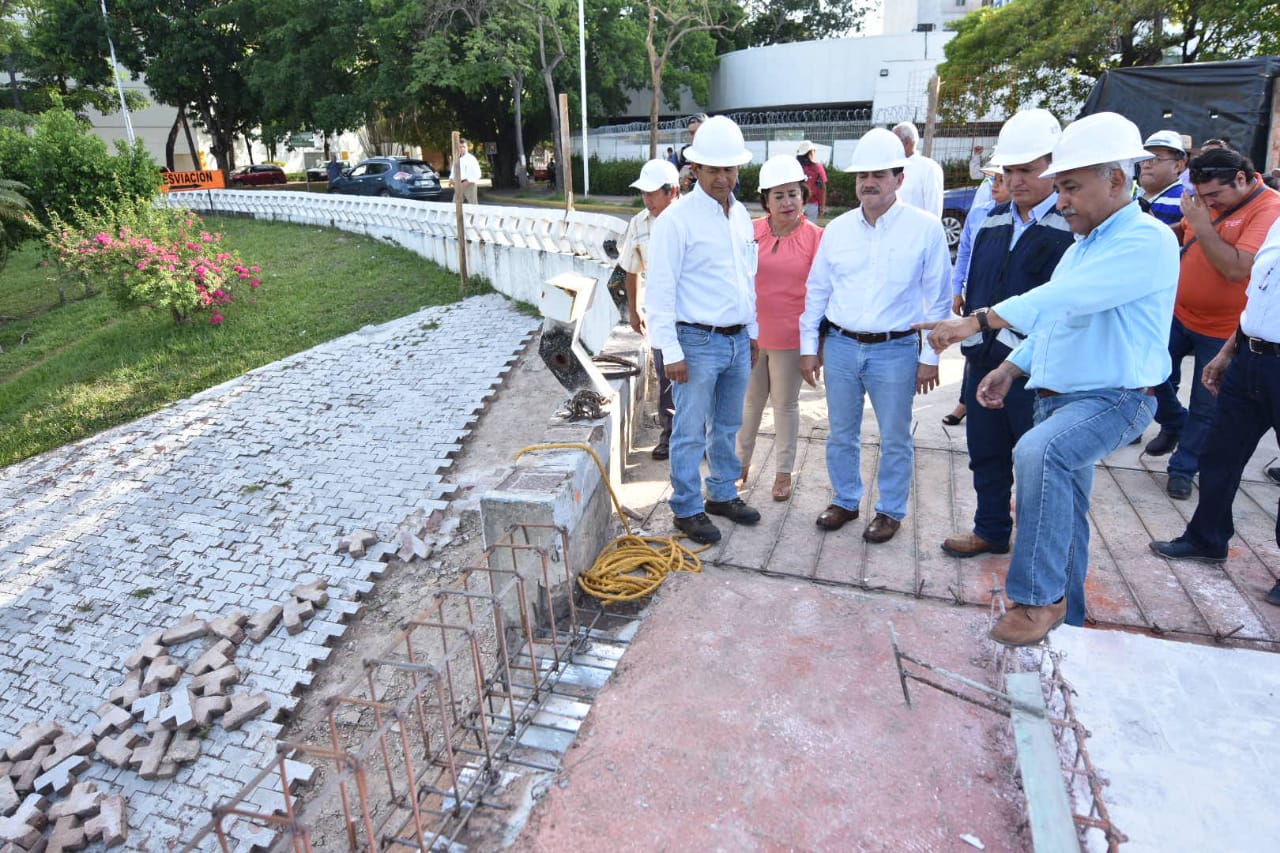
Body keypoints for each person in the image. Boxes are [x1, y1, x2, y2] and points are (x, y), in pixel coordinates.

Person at [918, 112, 1179, 646]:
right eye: (1058, 188)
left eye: (1071, 187)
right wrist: (1012, 367)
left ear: (1114, 179)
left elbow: (1062, 299)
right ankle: (1072, 623)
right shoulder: (1086, 246)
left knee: (1039, 453)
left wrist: (980, 318)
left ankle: (1038, 598)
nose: (1060, 202)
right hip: (1057, 395)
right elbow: (1059, 320)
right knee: (1068, 515)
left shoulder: (1145, 240)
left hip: (1115, 396)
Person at [799, 128, 951, 543]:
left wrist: (930, 358)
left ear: (899, 179)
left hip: (896, 350)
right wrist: (810, 348)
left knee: (895, 435)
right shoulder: (839, 230)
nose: (868, 182)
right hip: (843, 347)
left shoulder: (925, 229)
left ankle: (890, 510)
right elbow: (817, 291)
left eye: (878, 175)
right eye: (862, 175)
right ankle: (846, 500)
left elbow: (938, 301)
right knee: (841, 431)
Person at [938, 108, 1076, 560]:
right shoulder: (994, 220)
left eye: (1027, 169)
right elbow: (981, 287)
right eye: (1010, 170)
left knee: (1036, 463)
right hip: (983, 361)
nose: (1016, 180)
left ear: (1053, 166)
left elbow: (1059, 308)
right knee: (987, 454)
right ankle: (991, 530)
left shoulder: (1070, 229)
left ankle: (1037, 545)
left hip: (1034, 371)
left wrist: (1013, 359)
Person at [1150, 217, 1280, 608]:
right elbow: (1259, 297)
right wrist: (1228, 352)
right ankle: (1206, 538)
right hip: (1250, 357)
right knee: (1219, 453)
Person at [645, 115, 760, 545]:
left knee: (727, 424)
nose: (723, 177)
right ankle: (687, 508)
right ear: (695, 170)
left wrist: (752, 330)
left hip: (735, 339)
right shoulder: (677, 220)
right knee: (690, 429)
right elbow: (659, 290)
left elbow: (748, 278)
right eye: (714, 169)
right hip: (694, 341)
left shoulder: (741, 218)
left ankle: (722, 494)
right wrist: (670, 350)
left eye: (730, 169)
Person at [1143, 148, 1280, 500]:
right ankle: (1174, 422)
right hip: (1177, 313)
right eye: (1202, 197)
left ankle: (1183, 468)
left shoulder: (1270, 209)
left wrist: (1202, 223)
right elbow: (1184, 233)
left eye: (1215, 196)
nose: (1208, 204)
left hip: (1222, 330)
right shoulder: (1207, 200)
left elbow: (1237, 268)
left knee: (1207, 402)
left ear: (1240, 178)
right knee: (1145, 373)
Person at [738, 155, 823, 502]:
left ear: (804, 196)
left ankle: (783, 472)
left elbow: (822, 295)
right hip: (753, 336)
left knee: (785, 405)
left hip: (791, 338)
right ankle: (738, 466)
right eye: (779, 196)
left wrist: (814, 347)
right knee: (749, 403)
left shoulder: (816, 238)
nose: (788, 202)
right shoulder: (750, 231)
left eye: (793, 194)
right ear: (765, 201)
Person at [619, 159, 681, 460]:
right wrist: (633, 309)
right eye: (643, 193)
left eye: (652, 193)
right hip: (661, 315)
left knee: (701, 379)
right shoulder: (639, 224)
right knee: (666, 378)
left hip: (696, 315)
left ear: (673, 192)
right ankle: (669, 435)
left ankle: (702, 438)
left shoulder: (690, 218)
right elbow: (631, 270)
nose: (647, 200)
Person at [943, 165, 1011, 428]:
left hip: (1004, 296)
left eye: (1001, 180)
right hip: (977, 291)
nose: (994, 185)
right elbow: (965, 251)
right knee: (974, 349)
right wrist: (957, 288)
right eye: (993, 179)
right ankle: (966, 401)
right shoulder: (979, 212)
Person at [892, 121, 944, 217]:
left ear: (906, 143)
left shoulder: (929, 168)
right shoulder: (892, 168)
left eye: (894, 142)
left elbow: (934, 209)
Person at [1138, 130, 1188, 226]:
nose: (1146, 165)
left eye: (1156, 159)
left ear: (1177, 166)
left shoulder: (1186, 201)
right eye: (1143, 159)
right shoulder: (1131, 196)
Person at [796, 141, 828, 221]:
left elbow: (822, 187)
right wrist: (822, 206)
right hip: (805, 204)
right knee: (809, 230)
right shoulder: (817, 167)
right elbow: (822, 188)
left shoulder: (796, 166)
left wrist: (822, 206)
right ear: (811, 153)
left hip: (800, 203)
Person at [677, 114, 708, 195]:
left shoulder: (718, 154)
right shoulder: (681, 154)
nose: (695, 136)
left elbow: (733, 185)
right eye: (692, 133)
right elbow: (666, 181)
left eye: (699, 132)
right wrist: (680, 184)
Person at [452, 138, 482, 204]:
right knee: (455, 204)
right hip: (459, 184)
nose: (462, 148)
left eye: (464, 147)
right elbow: (453, 170)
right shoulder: (457, 158)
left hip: (470, 184)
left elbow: (478, 173)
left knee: (473, 205)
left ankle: (474, 214)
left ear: (467, 148)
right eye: (460, 147)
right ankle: (458, 214)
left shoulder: (471, 159)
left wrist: (468, 181)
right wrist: (451, 179)